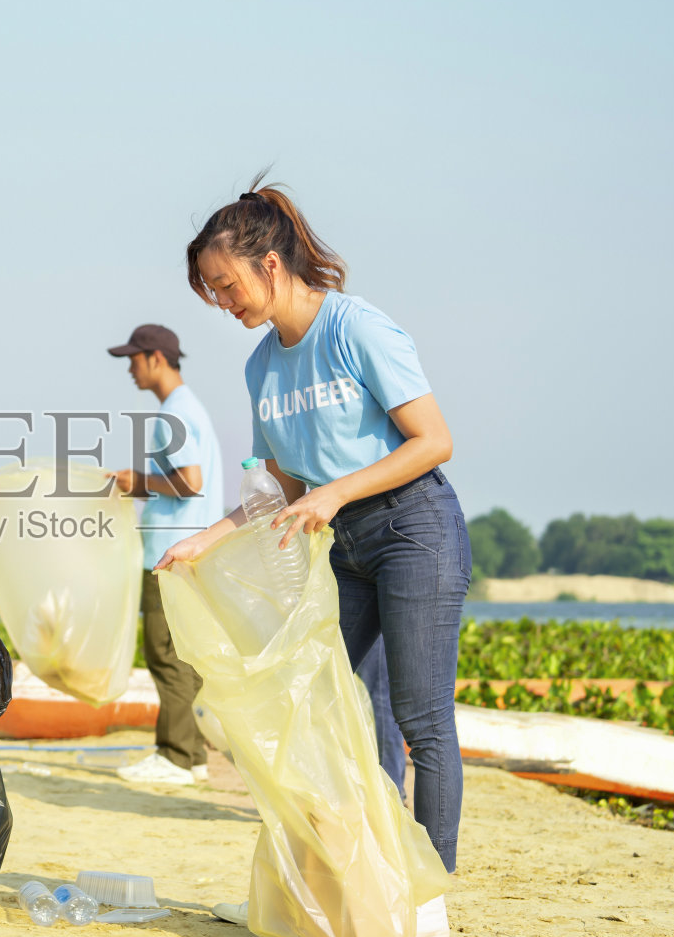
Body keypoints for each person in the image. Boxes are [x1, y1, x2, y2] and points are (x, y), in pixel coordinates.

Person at [158, 178, 470, 877]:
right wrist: (206, 539)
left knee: (421, 717)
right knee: (319, 706)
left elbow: (433, 441)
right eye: (212, 290)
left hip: (413, 528)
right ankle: (365, 872)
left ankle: (433, 888)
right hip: (341, 546)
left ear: (270, 265)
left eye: (227, 284)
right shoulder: (261, 366)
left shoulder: (356, 327)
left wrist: (335, 493)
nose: (223, 301)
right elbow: (280, 490)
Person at [103, 324, 225, 786]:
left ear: (156, 358)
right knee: (184, 653)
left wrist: (139, 481)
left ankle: (174, 756)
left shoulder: (174, 412)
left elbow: (190, 482)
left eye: (133, 359)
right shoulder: (187, 408)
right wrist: (142, 485)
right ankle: (191, 755)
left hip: (171, 552)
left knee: (164, 651)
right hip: (193, 548)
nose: (129, 369)